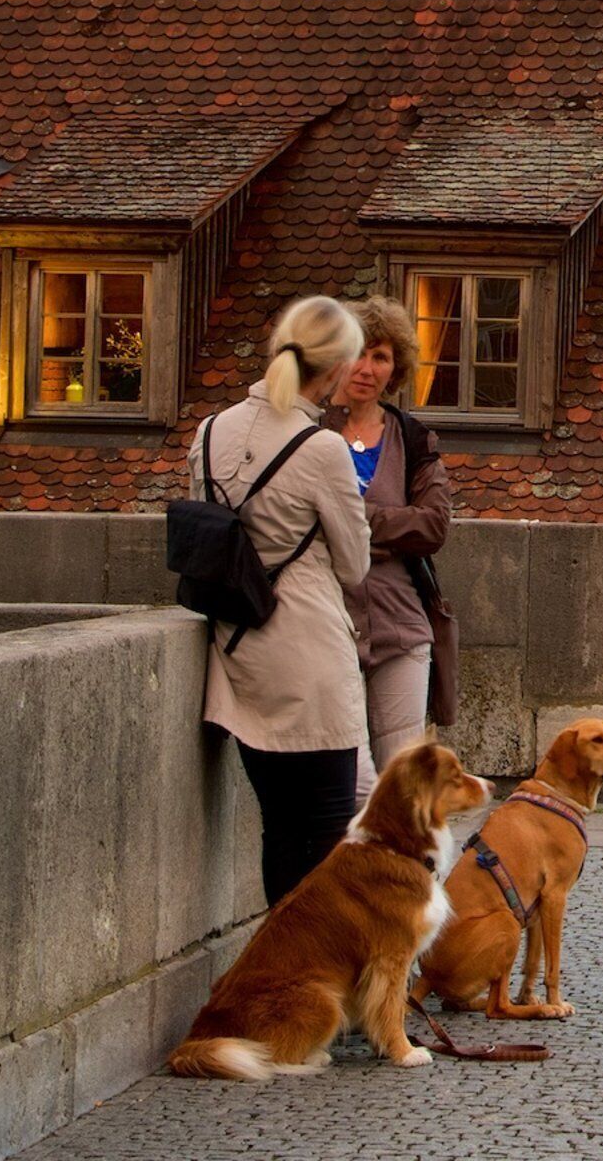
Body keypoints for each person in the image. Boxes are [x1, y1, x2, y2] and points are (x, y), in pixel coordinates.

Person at [196, 296, 377, 904]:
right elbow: (355, 566)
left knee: (280, 830)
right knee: (328, 834)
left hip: (240, 649)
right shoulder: (321, 449)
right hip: (309, 658)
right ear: (332, 372)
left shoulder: (209, 430)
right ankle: (324, 975)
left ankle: (285, 977)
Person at [332, 296, 452, 808]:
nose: (367, 368)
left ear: (394, 367)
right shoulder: (309, 431)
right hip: (328, 618)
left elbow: (433, 525)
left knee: (406, 783)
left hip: (401, 621)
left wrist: (354, 518)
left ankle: (410, 885)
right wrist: (390, 524)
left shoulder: (412, 437)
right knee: (350, 783)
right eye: (357, 353)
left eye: (380, 357)